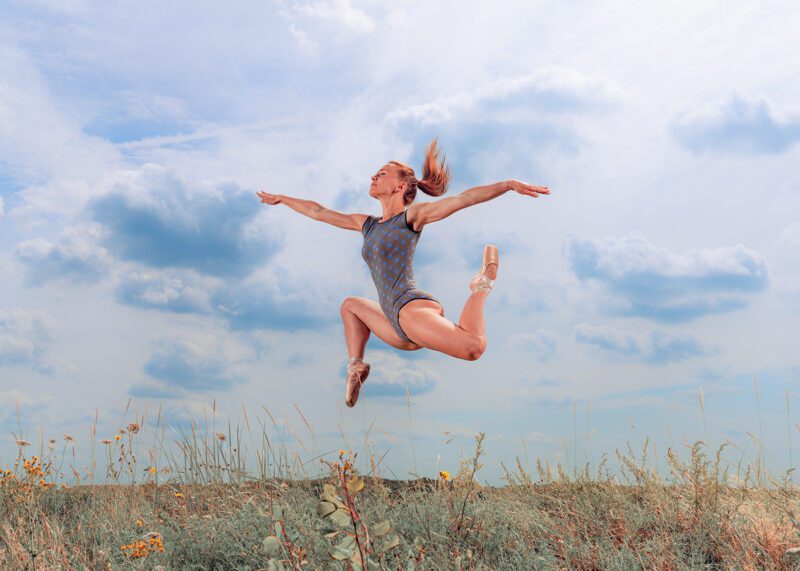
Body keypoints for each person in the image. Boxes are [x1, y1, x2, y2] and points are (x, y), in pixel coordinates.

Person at [257, 136, 550, 407]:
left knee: (472, 347)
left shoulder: (412, 217)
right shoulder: (367, 224)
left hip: (411, 309)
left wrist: (507, 184)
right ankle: (356, 366)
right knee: (350, 306)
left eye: (382, 173)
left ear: (399, 186)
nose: (373, 177)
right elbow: (318, 212)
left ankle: (481, 285)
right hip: (396, 326)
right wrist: (283, 199)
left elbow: (464, 199)